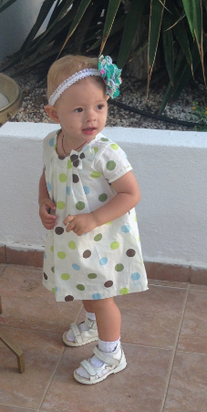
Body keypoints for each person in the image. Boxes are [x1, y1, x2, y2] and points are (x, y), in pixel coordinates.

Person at [38, 54, 148, 384]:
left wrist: (94, 218)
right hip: (72, 237)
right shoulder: (51, 142)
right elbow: (47, 174)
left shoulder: (105, 152)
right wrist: (43, 200)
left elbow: (130, 193)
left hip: (102, 240)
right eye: (79, 109)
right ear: (54, 114)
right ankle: (90, 324)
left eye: (100, 106)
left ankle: (111, 353)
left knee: (102, 297)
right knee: (83, 283)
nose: (92, 117)